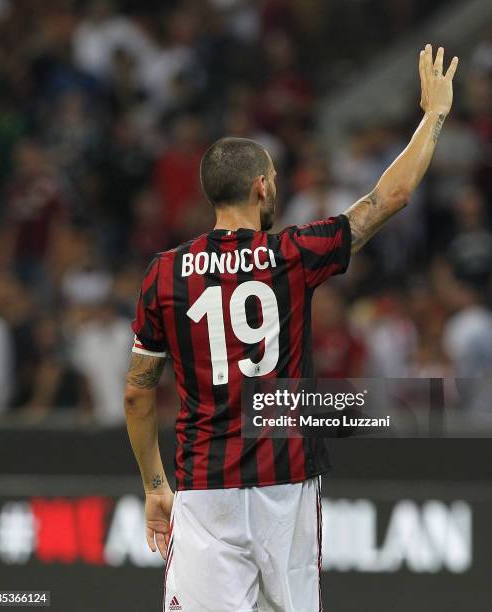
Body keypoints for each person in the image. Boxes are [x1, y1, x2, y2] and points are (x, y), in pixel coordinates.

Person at [124, 44, 458, 612]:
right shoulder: (292, 254)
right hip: (287, 483)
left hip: (206, 489)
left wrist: (156, 488)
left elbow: (137, 392)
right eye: (273, 178)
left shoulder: (164, 274)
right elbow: (390, 197)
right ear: (260, 186)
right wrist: (433, 116)